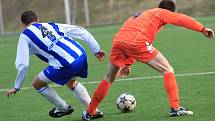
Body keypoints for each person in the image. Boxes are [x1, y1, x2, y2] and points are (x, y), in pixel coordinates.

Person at [82, 0, 214, 120]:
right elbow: (181, 19)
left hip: (118, 41)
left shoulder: (144, 14)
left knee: (109, 78)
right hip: (135, 41)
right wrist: (202, 29)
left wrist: (127, 64)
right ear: (170, 11)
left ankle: (90, 111)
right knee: (167, 69)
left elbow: (129, 37)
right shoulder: (162, 13)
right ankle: (175, 108)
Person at [6, 10, 106, 119]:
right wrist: (97, 50)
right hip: (80, 54)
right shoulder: (49, 25)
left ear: (23, 25)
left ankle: (63, 108)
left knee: (37, 83)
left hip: (65, 63)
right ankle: (93, 111)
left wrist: (17, 86)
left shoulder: (25, 35)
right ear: (38, 20)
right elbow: (81, 31)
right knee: (70, 82)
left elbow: (23, 64)